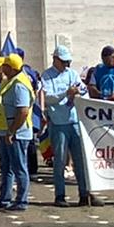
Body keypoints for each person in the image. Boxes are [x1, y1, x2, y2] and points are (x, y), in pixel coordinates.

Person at [41, 43, 95, 207]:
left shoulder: (72, 74)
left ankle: (85, 193)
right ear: (55, 59)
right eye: (63, 62)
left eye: (68, 62)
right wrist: (66, 93)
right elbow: (48, 97)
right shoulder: (47, 75)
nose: (66, 65)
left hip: (75, 120)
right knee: (60, 160)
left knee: (80, 160)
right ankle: (60, 195)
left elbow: (84, 89)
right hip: (58, 122)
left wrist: (79, 91)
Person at [0, 53, 34, 211]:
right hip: (4, 129)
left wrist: (11, 131)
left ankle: (22, 200)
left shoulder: (19, 85)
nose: (2, 68)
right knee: (6, 166)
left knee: (19, 166)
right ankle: (4, 197)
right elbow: (2, 105)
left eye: (5, 66)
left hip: (17, 133)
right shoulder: (8, 82)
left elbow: (22, 111)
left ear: (11, 68)